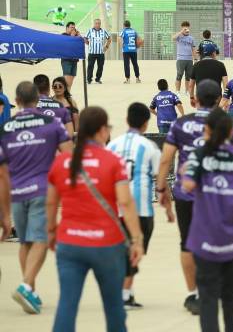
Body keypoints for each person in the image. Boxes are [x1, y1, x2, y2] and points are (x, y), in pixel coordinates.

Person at [46, 106, 144, 331]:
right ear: (102, 131)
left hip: (70, 242)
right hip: (106, 244)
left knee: (67, 304)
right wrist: (136, 239)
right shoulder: (112, 161)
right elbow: (126, 203)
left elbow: (51, 202)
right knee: (113, 307)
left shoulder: (62, 163)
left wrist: (51, 231)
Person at [156, 81, 233, 315]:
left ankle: (193, 293)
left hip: (186, 194)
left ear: (194, 99)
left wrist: (161, 189)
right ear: (219, 99)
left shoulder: (182, 124)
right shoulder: (224, 124)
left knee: (187, 243)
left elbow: (166, 159)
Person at [181, 109, 233, 331]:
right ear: (230, 132)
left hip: (204, 234)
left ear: (206, 130)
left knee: (207, 294)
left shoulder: (198, 155)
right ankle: (231, 326)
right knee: (232, 290)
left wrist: (187, 171)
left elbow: (187, 185)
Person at [0, 82, 72, 314]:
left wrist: (5, 213)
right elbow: (69, 155)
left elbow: (2, 173)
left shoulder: (6, 128)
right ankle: (25, 285)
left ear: (17, 101)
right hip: (43, 189)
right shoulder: (52, 124)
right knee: (40, 238)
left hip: (16, 193)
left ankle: (29, 288)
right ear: (37, 100)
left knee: (25, 242)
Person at [107, 103, 163, 309]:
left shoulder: (112, 145)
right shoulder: (149, 147)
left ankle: (124, 291)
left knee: (122, 250)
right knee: (136, 249)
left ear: (127, 120)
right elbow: (160, 177)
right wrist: (165, 199)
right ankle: (124, 292)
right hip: (141, 207)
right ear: (146, 123)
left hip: (115, 207)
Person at [84, 18, 111, 84]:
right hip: (92, 52)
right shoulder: (90, 31)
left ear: (100, 24)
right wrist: (88, 43)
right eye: (96, 23)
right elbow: (85, 38)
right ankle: (89, 79)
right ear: (94, 24)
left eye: (99, 23)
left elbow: (109, 39)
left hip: (101, 53)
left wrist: (106, 46)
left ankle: (98, 79)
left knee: (100, 66)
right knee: (90, 66)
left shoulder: (103, 31)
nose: (97, 25)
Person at [173, 21, 196, 94]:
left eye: (187, 27)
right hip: (180, 59)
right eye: (184, 27)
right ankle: (177, 91)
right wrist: (181, 32)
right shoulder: (179, 37)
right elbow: (173, 38)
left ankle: (187, 91)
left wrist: (195, 58)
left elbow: (193, 48)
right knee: (179, 75)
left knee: (188, 76)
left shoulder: (191, 38)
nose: (186, 29)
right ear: (182, 28)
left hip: (189, 59)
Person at [60, 22, 82, 88]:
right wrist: (72, 36)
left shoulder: (75, 37)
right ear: (67, 28)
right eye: (71, 27)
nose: (73, 29)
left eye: (74, 28)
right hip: (66, 60)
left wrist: (79, 36)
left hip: (74, 60)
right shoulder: (63, 35)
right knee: (66, 78)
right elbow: (66, 45)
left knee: (71, 78)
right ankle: (65, 93)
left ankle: (68, 93)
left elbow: (81, 44)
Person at [119, 20, 142, 84]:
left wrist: (122, 45)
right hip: (133, 50)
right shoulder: (134, 31)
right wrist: (137, 46)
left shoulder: (123, 31)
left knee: (126, 64)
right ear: (130, 25)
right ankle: (137, 78)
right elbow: (139, 40)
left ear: (124, 25)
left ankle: (127, 79)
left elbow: (120, 38)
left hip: (126, 50)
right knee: (135, 64)